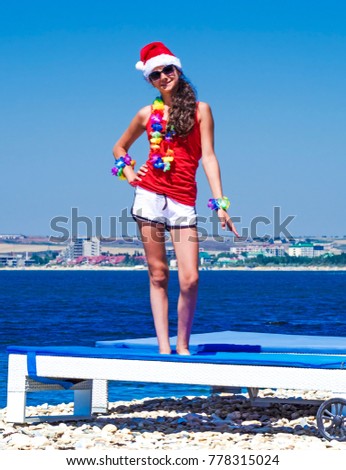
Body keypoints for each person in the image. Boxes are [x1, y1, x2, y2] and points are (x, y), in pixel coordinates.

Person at [112, 42, 239, 355]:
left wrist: (220, 203)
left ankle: (183, 344)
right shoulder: (146, 114)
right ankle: (164, 347)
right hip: (150, 197)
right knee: (158, 275)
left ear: (177, 70)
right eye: (155, 75)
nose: (163, 77)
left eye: (167, 70)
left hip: (183, 200)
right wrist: (129, 176)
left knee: (190, 278)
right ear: (151, 81)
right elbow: (119, 148)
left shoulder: (201, 110)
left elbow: (208, 156)